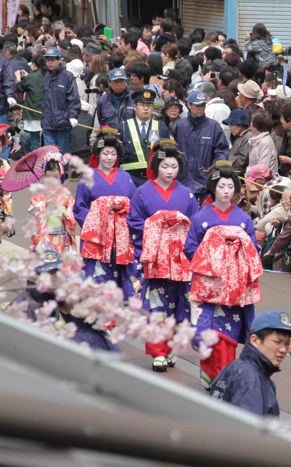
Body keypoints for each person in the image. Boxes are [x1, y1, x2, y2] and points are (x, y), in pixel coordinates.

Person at [185, 166, 261, 387]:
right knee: (208, 330)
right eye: (221, 186)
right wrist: (214, 260)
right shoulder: (201, 217)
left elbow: (253, 248)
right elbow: (190, 248)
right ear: (213, 189)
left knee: (228, 332)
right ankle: (210, 372)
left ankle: (225, 375)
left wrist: (236, 262)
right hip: (210, 282)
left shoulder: (243, 219)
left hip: (235, 286)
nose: (226, 191)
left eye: (230, 186)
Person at [126, 139, 198, 371]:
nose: (169, 171)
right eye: (165, 166)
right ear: (156, 166)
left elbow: (195, 226)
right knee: (157, 303)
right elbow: (134, 221)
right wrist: (156, 224)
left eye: (174, 167)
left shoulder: (187, 195)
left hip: (179, 258)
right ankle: (158, 350)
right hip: (155, 256)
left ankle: (171, 347)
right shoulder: (142, 192)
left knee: (180, 304)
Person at [74, 129, 138, 299]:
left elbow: (135, 205)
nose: (109, 158)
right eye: (105, 153)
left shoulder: (126, 177)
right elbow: (80, 207)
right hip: (98, 234)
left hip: (121, 234)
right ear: (98, 154)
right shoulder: (88, 177)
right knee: (97, 272)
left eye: (113, 154)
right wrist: (99, 217)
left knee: (121, 273)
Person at [210, 311, 291, 416]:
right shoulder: (251, 379)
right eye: (277, 342)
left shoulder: (237, 366)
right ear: (255, 340)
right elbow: (248, 429)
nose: (283, 350)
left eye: (287, 344)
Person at [173, 89, 228, 198]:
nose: (200, 108)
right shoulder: (179, 126)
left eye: (203, 105)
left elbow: (222, 150)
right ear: (189, 105)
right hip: (182, 181)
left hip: (205, 184)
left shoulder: (214, 126)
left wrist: (214, 166)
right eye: (197, 105)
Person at [120, 89, 169, 186]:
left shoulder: (161, 127)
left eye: (149, 105)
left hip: (154, 179)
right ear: (134, 107)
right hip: (129, 178)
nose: (146, 108)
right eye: (142, 105)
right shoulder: (123, 126)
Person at [28, 158, 76, 254]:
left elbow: (71, 214)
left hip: (59, 234)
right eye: (49, 177)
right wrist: (44, 205)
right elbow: (33, 211)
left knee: (58, 264)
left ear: (60, 175)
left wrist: (64, 211)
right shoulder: (39, 193)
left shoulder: (65, 193)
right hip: (43, 234)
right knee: (43, 263)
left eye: (55, 177)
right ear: (44, 176)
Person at [41, 48, 80, 154]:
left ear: (59, 60)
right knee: (50, 156)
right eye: (47, 60)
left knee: (63, 155)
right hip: (48, 123)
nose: (49, 62)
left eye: (52, 59)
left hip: (63, 123)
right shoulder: (45, 76)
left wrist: (73, 116)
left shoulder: (67, 76)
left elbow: (73, 98)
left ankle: (64, 171)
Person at [16, 55, 46, 151]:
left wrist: (18, 78)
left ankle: (35, 161)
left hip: (33, 112)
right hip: (45, 112)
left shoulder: (32, 77)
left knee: (35, 140)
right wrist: (29, 75)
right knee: (44, 139)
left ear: (33, 64)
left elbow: (19, 88)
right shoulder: (46, 74)